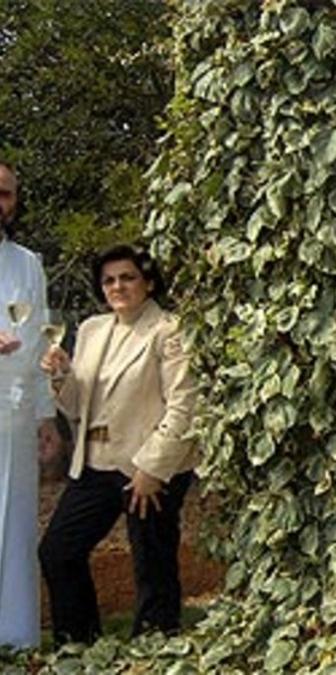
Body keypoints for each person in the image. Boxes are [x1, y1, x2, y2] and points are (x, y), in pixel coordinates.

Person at [39, 244, 197, 645]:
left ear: (148, 281)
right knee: (58, 551)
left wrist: (153, 469)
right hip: (94, 464)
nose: (117, 286)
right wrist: (60, 377)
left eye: (127, 277)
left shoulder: (170, 330)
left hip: (147, 469)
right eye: (109, 280)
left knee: (152, 566)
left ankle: (155, 652)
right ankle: (78, 649)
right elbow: (78, 407)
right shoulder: (93, 329)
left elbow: (185, 405)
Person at [0, 159, 60, 648]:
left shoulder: (28, 263)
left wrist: (45, 417)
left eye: (5, 193)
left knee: (17, 524)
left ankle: (15, 638)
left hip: (16, 418)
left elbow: (39, 342)